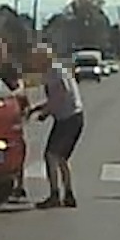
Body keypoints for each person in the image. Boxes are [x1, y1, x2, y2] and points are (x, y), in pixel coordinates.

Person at [27, 43, 84, 209]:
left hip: (68, 118)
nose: (34, 62)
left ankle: (55, 195)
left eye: (36, 58)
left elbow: (60, 95)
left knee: (51, 155)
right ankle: (68, 195)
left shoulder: (54, 72)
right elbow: (57, 96)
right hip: (73, 117)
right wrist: (38, 108)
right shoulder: (57, 69)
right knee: (60, 158)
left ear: (43, 58)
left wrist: (45, 113)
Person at [0, 37, 31, 201]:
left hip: (12, 111)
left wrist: (7, 96)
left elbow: (20, 87)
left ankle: (20, 184)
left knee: (17, 145)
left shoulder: (11, 68)